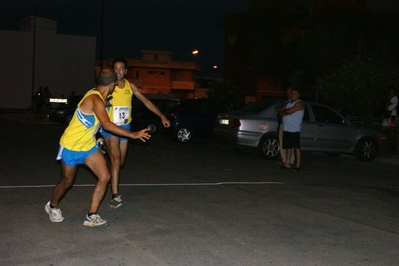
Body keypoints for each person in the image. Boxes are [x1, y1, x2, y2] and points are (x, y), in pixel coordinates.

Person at [45, 68, 151, 228]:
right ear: (114, 84)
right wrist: (132, 134)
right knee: (66, 182)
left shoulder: (99, 96)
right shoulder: (95, 99)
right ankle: (52, 206)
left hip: (88, 145)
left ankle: (92, 215)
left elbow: (99, 118)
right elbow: (107, 125)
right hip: (71, 145)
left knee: (105, 176)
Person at [101, 57, 171, 208]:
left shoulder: (130, 86)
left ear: (125, 71)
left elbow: (146, 102)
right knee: (115, 160)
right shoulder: (107, 86)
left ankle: (103, 147)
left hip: (125, 127)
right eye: (115, 68)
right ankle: (115, 196)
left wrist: (161, 116)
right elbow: (95, 101)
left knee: (121, 162)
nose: (118, 71)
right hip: (111, 127)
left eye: (121, 69)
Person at [279, 87, 304, 171]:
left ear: (298, 95)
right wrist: (286, 110)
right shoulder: (289, 103)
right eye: (291, 93)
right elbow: (281, 113)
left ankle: (298, 165)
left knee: (296, 147)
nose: (292, 95)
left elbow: (289, 111)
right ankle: (287, 163)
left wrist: (286, 110)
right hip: (287, 128)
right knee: (288, 147)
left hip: (294, 129)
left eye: (294, 93)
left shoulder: (299, 103)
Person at [275, 86, 294, 166]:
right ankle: (284, 159)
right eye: (287, 92)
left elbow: (289, 111)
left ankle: (291, 160)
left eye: (290, 92)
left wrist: (282, 110)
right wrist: (282, 109)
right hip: (282, 123)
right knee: (281, 141)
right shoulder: (284, 101)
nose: (288, 94)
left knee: (290, 143)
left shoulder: (294, 102)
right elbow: (277, 108)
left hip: (290, 125)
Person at [381, 88, 398, 153]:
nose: (390, 93)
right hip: (387, 114)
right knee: (383, 127)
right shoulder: (390, 97)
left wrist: (389, 98)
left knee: (391, 128)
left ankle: (392, 141)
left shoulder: (395, 98)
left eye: (391, 91)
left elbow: (388, 103)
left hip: (393, 115)